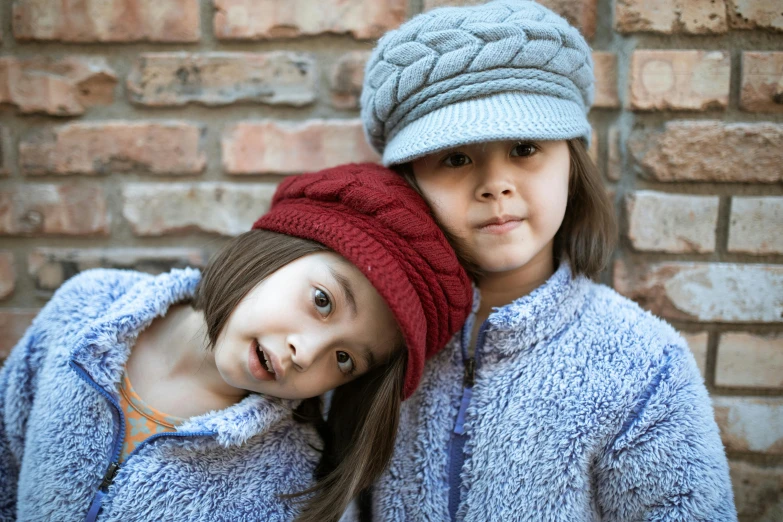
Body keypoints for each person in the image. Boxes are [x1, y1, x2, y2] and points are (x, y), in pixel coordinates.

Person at [357, 1, 737, 520]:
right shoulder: (365, 343)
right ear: (409, 181)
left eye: (524, 148)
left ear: (571, 163)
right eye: (456, 157)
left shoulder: (643, 367)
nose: (496, 184)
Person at [0, 163, 473, 522]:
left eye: (344, 359)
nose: (305, 354)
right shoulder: (86, 313)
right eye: (323, 301)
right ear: (280, 246)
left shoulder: (294, 482)